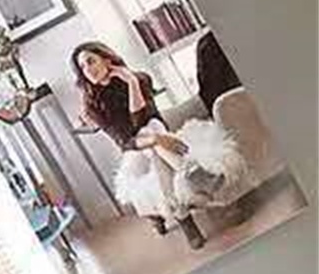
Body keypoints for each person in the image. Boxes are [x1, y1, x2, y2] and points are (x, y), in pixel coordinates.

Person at [72, 41, 249, 249]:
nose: (88, 70)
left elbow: (142, 120)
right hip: (136, 149)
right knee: (152, 136)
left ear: (106, 59)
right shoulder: (92, 105)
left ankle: (182, 217)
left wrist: (131, 82)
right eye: (82, 67)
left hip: (157, 137)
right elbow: (125, 140)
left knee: (153, 134)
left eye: (91, 61)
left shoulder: (140, 79)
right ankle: (195, 173)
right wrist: (155, 139)